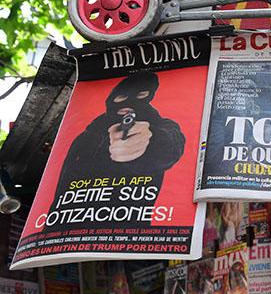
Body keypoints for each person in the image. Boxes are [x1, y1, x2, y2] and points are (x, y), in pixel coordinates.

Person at [52, 71, 185, 215]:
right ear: (112, 99)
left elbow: (171, 143)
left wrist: (149, 141)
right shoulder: (86, 135)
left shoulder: (161, 126)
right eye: (122, 97)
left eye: (140, 95)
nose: (130, 102)